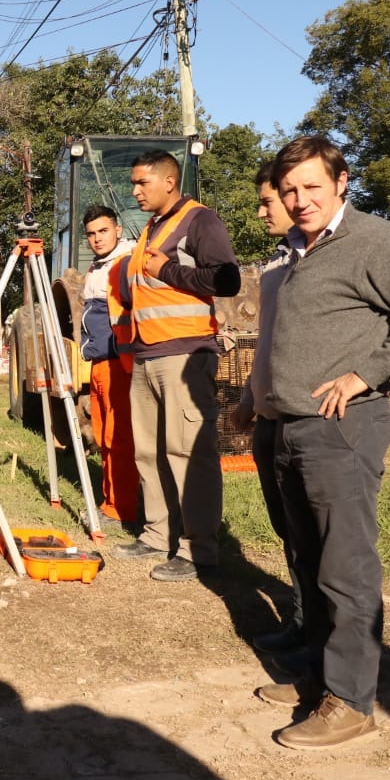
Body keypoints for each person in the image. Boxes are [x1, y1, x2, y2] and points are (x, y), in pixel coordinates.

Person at [256, 136, 390, 750]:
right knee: (312, 563)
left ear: (342, 182)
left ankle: (350, 701)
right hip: (294, 426)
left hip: (343, 428)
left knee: (345, 568)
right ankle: (321, 678)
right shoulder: (300, 249)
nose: (299, 200)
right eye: (290, 190)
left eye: (312, 187)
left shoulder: (372, 240)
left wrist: (364, 372)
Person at [112, 150, 240, 582]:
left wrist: (167, 269)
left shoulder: (199, 221)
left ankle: (197, 550)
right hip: (148, 356)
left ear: (169, 181)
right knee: (149, 453)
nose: (134, 191)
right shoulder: (151, 227)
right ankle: (156, 534)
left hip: (185, 356)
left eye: (141, 183)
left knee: (189, 454)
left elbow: (226, 279)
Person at [229, 163, 304, 657]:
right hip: (269, 415)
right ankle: (304, 625)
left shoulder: (321, 258)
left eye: (266, 202)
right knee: (287, 527)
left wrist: (364, 375)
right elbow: (269, 342)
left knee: (312, 534)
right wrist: (249, 398)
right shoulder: (278, 263)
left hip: (309, 421)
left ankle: (318, 636)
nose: (260, 212)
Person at [78, 205, 139, 528]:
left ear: (117, 230)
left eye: (103, 231)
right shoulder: (98, 266)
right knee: (104, 437)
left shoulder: (126, 261)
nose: (97, 238)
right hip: (100, 361)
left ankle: (122, 508)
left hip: (119, 362)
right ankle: (110, 501)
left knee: (120, 439)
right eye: (91, 234)